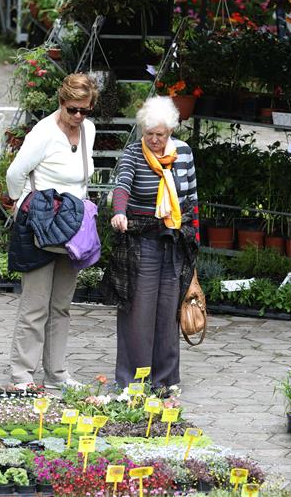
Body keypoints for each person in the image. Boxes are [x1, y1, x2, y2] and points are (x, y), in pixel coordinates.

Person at [5, 73, 97, 389]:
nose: (78, 117)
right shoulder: (43, 133)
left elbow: (83, 179)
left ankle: (57, 372)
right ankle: (22, 373)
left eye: (85, 110)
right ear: (61, 102)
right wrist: (20, 203)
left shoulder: (89, 131)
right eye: (73, 109)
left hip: (73, 229)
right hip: (42, 225)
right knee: (35, 304)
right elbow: (15, 173)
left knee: (62, 304)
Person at [102, 96, 200, 390]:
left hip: (174, 240)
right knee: (138, 310)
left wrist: (194, 239)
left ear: (171, 131)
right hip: (141, 240)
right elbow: (122, 185)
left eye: (160, 134)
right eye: (149, 134)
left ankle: (165, 379)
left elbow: (192, 198)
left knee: (169, 309)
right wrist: (119, 212)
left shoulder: (184, 153)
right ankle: (133, 379)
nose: (154, 140)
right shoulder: (134, 153)